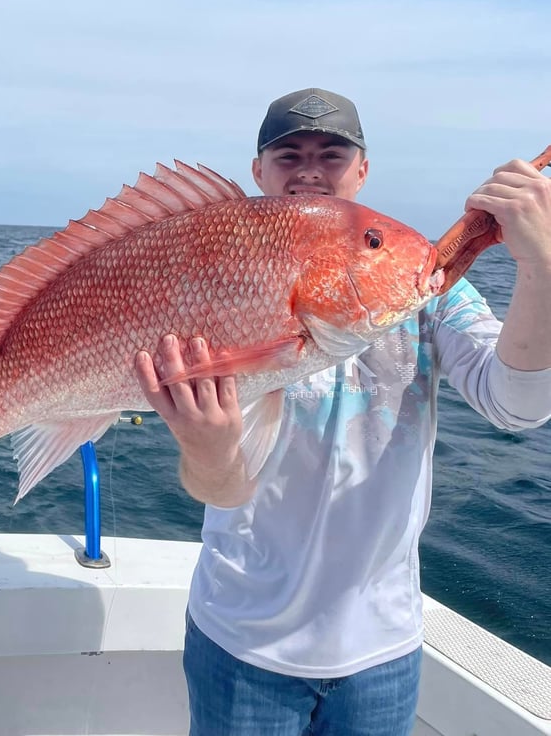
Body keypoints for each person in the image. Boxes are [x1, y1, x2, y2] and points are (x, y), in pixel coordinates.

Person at [134, 87, 551, 736]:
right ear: (258, 172)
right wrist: (206, 446)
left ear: (362, 171)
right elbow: (221, 486)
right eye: (288, 154)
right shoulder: (214, 273)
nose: (309, 169)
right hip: (241, 642)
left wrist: (541, 267)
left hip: (381, 652)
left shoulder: (432, 292)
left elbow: (518, 406)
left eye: (332, 154)